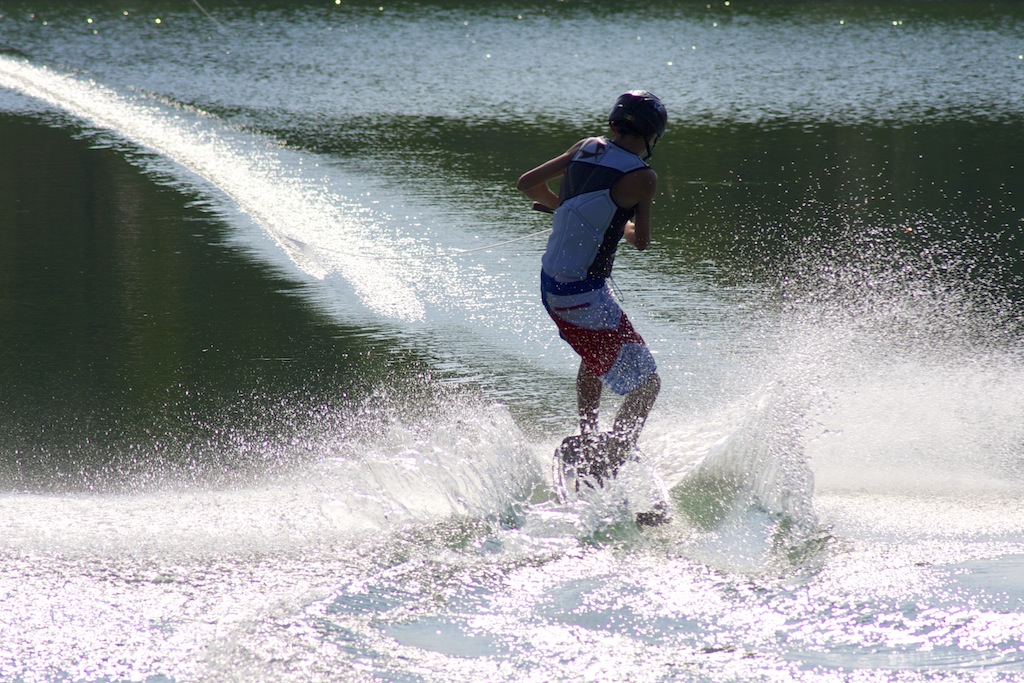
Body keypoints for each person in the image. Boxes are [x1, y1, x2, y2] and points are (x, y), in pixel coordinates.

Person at [517, 90, 667, 466]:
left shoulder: (587, 147)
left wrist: (564, 208)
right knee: (648, 386)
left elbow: (528, 184)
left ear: (615, 123)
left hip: (552, 286)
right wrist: (613, 225)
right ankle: (612, 455)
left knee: (593, 354)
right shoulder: (643, 177)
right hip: (582, 297)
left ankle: (588, 435)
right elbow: (641, 240)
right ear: (653, 135)